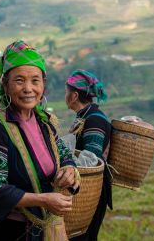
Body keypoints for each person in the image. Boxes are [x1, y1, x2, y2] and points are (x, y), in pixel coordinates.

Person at [0, 40, 80, 241]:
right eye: (19, 80)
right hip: (6, 233)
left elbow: (64, 156)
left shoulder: (44, 123)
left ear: (43, 84)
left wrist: (70, 170)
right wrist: (43, 200)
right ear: (5, 84)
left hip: (45, 232)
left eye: (35, 81)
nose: (28, 88)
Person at [65, 69, 112, 241]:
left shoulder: (94, 120)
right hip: (85, 189)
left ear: (74, 95)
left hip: (90, 193)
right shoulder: (85, 116)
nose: (65, 95)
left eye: (66, 91)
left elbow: (91, 159)